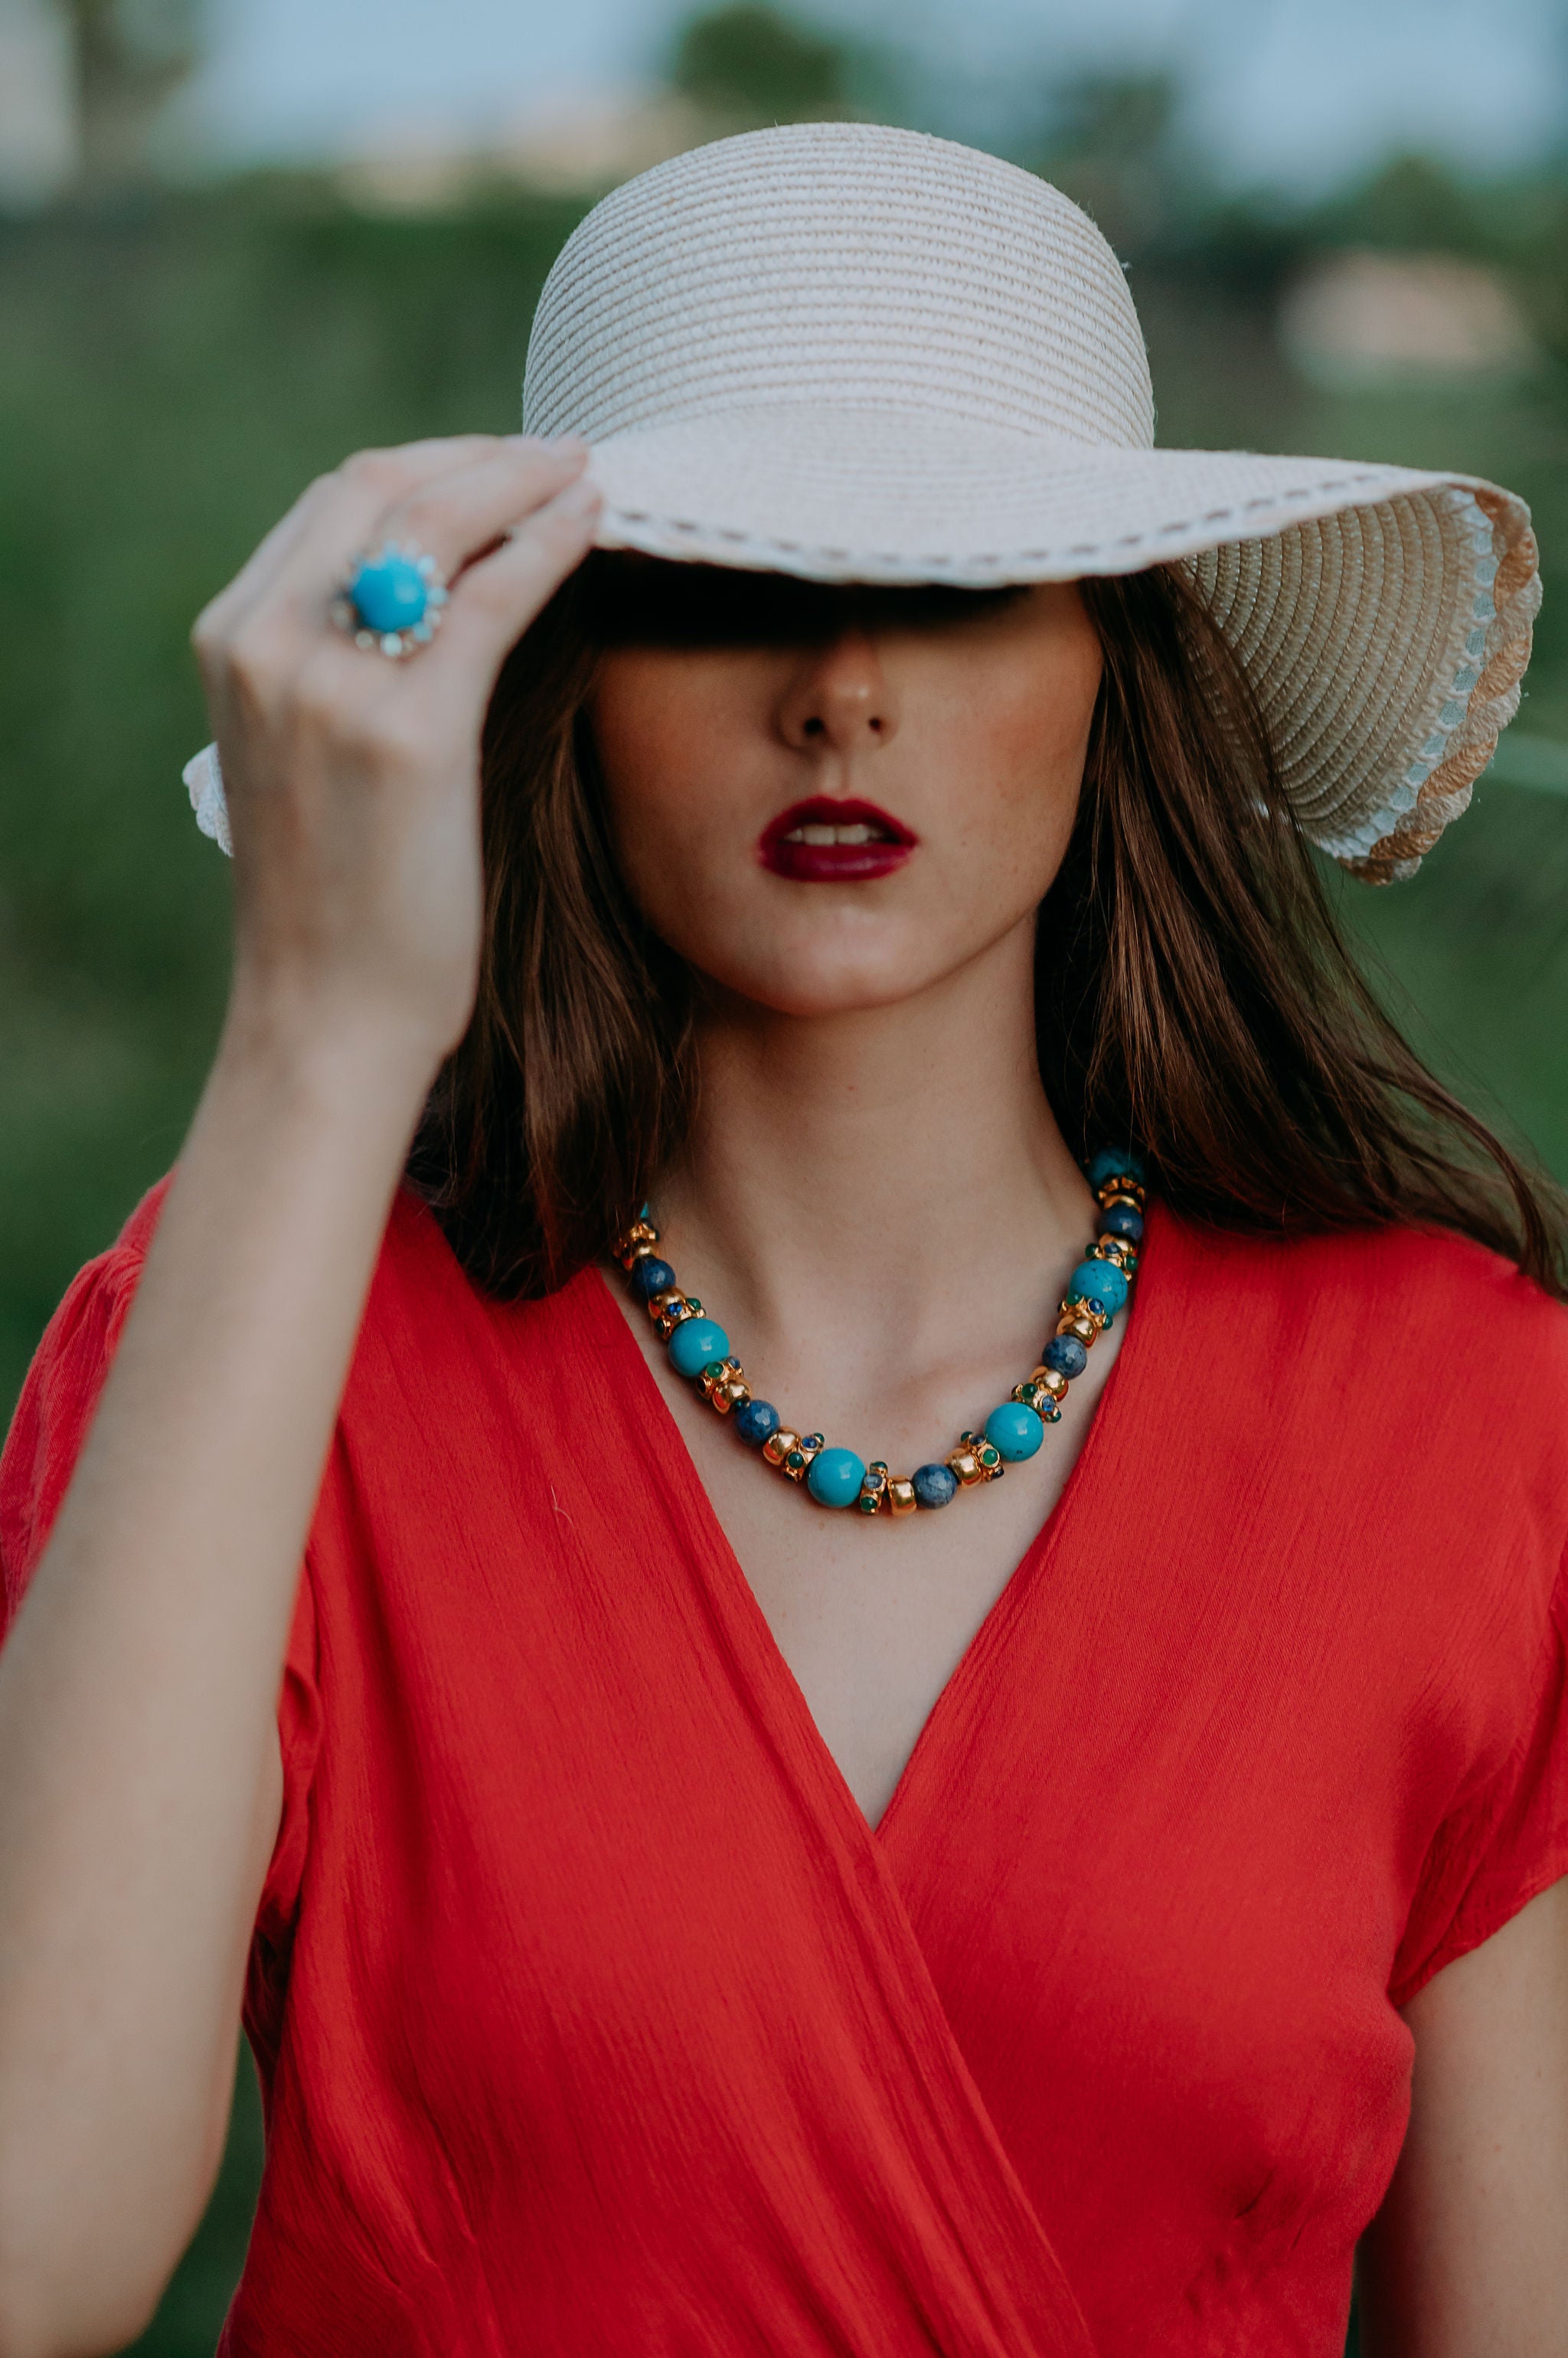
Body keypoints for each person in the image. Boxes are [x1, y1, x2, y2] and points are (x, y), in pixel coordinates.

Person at [0, 119, 1564, 2358]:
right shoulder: (260, 1331)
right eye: (724, 581)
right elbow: (27, 2255)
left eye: (953, 584)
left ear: (1115, 660)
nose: (840, 683)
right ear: (568, 676)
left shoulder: (1464, 1406)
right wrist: (319, 1038)